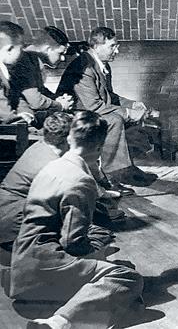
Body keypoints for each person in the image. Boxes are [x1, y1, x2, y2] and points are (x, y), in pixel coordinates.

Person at [9, 111, 143, 328]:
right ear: (99, 148)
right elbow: (73, 242)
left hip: (22, 262)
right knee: (128, 276)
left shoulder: (51, 166)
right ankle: (59, 322)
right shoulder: (81, 180)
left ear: (70, 138)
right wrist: (99, 256)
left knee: (117, 266)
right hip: (46, 266)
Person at [0, 112, 124, 249]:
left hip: (8, 211)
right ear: (69, 140)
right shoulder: (55, 164)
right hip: (16, 225)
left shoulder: (41, 145)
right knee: (98, 233)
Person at [57, 26, 158, 187]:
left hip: (92, 110)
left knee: (127, 119)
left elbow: (108, 96)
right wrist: (128, 113)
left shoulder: (102, 65)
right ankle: (112, 176)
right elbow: (93, 105)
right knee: (115, 120)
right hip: (75, 114)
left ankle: (126, 169)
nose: (116, 51)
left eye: (116, 46)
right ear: (97, 46)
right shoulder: (83, 67)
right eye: (112, 46)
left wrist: (132, 104)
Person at [10, 27, 73, 126]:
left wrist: (57, 98)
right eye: (60, 53)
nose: (62, 58)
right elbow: (36, 102)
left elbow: (40, 90)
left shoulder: (32, 59)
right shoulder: (24, 62)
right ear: (47, 49)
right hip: (15, 123)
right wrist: (60, 105)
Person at [0, 21, 31, 123]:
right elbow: (6, 117)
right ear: (10, 49)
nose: (22, 54)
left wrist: (26, 113)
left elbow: (16, 97)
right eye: (20, 49)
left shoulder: (6, 70)